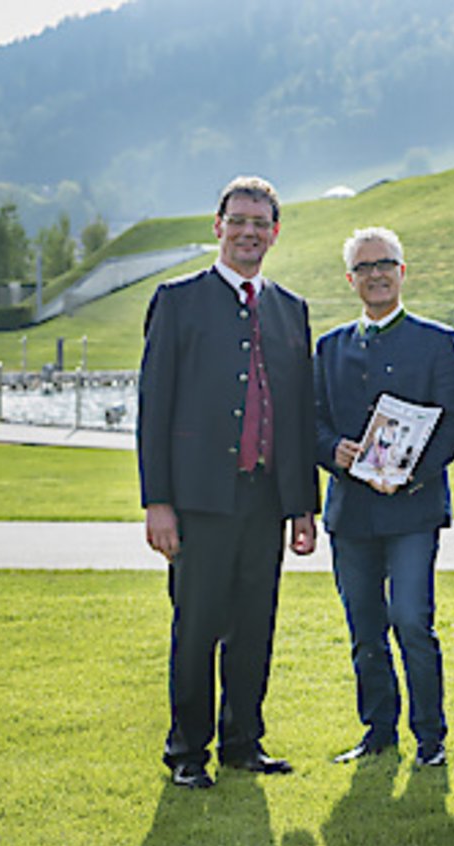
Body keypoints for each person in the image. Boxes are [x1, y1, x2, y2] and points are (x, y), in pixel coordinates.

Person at [137, 176, 318, 790]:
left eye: (259, 223)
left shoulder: (291, 309)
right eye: (237, 220)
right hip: (197, 501)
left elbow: (295, 415)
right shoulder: (178, 300)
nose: (248, 232)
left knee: (254, 625)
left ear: (274, 232)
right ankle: (187, 751)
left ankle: (244, 743)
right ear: (218, 227)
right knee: (196, 628)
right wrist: (156, 501)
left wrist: (301, 508)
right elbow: (153, 407)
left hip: (265, 500)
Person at [314, 227, 454, 768]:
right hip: (351, 513)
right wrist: (333, 449)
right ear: (350, 278)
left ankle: (431, 737)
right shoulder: (328, 347)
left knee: (410, 619)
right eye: (364, 266)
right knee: (364, 631)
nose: (376, 274)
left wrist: (410, 473)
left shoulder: (437, 341)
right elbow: (311, 423)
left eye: (386, 263)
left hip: (412, 508)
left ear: (403, 272)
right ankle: (378, 732)